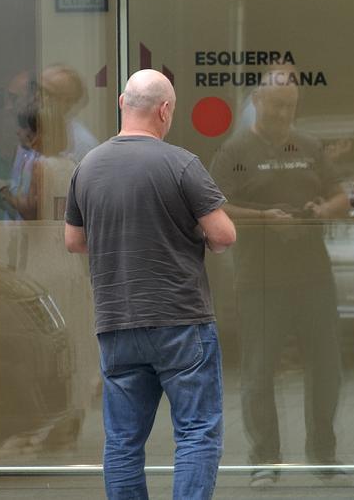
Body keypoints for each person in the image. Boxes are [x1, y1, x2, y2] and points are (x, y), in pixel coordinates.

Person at [64, 69, 237, 500]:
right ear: (165, 110)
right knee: (196, 433)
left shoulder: (88, 166)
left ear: (122, 103)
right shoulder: (181, 163)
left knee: (123, 442)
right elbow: (224, 236)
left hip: (117, 321)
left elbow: (73, 240)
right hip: (181, 320)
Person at [208, 81, 345, 486]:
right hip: (259, 278)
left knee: (327, 369)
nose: (284, 115)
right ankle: (265, 457)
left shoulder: (308, 145)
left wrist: (322, 208)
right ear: (257, 101)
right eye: (276, 107)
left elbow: (339, 196)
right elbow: (213, 206)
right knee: (259, 370)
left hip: (314, 276)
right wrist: (264, 217)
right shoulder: (235, 151)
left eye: (290, 107)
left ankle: (324, 454)